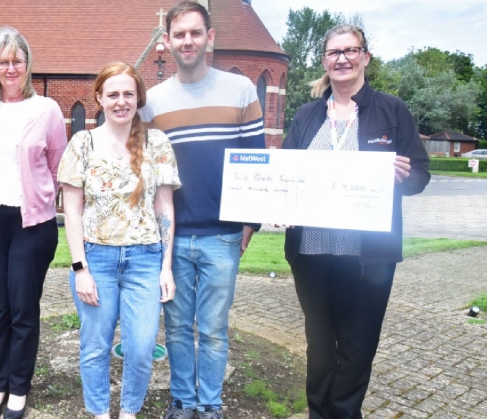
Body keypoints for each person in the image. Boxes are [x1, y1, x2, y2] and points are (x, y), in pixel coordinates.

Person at [281, 24, 430, 418]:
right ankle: (318, 413)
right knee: (319, 345)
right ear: (324, 60)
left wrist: (401, 176)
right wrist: (281, 203)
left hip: (368, 259)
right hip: (311, 253)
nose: (342, 59)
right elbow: (286, 174)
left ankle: (345, 414)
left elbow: (420, 175)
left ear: (365, 57)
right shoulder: (307, 115)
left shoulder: (391, 110)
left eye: (350, 51)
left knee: (357, 346)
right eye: (334, 52)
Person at [138, 2, 266, 418]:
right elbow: (145, 170)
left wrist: (250, 223)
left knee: (212, 330)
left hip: (223, 235)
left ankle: (210, 405)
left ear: (210, 37)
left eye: (195, 32)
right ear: (167, 41)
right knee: (176, 328)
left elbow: (256, 159)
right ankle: (183, 401)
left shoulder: (240, 90)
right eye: (179, 34)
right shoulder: (153, 102)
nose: (187, 41)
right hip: (172, 237)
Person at [59, 62, 181, 419]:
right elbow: (72, 212)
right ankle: (99, 412)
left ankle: (129, 412)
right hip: (96, 259)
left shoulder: (157, 142)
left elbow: (165, 208)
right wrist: (80, 268)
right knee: (95, 346)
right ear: (99, 98)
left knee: (141, 348)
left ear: (138, 97)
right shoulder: (82, 143)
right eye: (112, 94)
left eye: (128, 93)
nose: (121, 101)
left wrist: (166, 267)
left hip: (145, 260)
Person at [0, 26, 67, 419]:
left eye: (17, 60)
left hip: (31, 223)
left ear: (27, 64)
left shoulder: (47, 110)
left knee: (23, 307)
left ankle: (19, 388)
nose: (10, 68)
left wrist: (40, 199)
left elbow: (57, 166)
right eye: (3, 61)